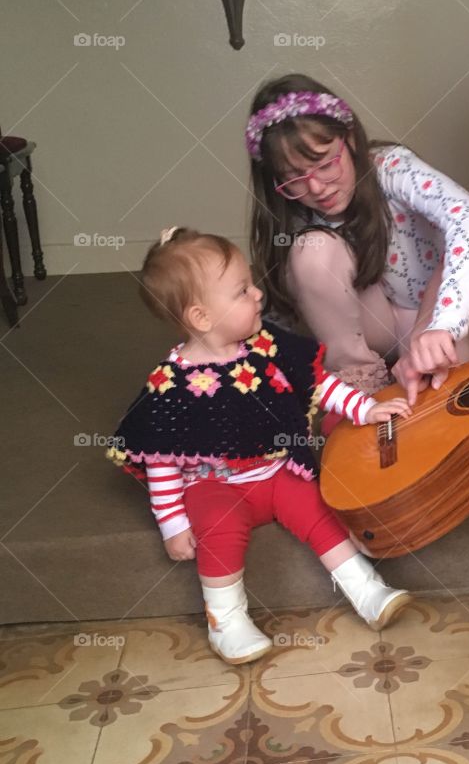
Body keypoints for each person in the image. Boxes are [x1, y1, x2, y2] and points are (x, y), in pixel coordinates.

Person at [109, 227, 411, 665]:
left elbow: (317, 383)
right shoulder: (171, 384)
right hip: (215, 485)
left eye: (251, 284)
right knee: (218, 527)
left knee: (318, 506)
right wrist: (172, 523)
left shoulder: (266, 344)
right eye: (242, 291)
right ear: (200, 317)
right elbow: (161, 456)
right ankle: (227, 620)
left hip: (276, 472)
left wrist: (364, 409)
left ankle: (365, 589)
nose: (258, 296)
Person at [247, 76, 469, 405]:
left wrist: (442, 326)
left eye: (325, 164)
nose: (317, 188)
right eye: (295, 178)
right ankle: (361, 388)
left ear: (349, 139)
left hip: (425, 313)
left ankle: (422, 359)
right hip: (366, 328)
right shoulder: (292, 210)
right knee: (311, 253)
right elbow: (273, 319)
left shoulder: (389, 166)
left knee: (455, 406)